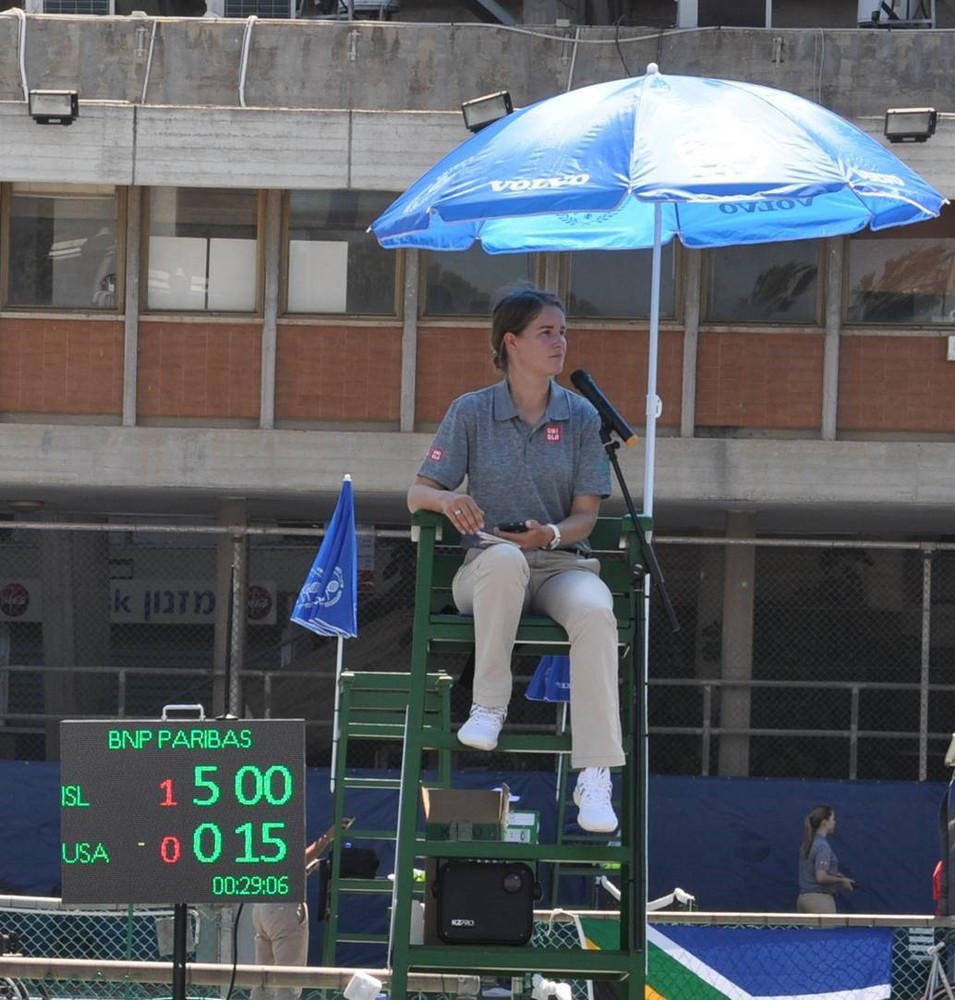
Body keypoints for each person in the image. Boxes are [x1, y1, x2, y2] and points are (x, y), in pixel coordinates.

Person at [407, 282, 624, 834]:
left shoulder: (581, 416)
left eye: (563, 332)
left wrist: (549, 534)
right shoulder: (471, 410)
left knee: (597, 611)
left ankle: (595, 774)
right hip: (487, 567)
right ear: (511, 342)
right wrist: (447, 500)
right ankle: (488, 707)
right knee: (504, 561)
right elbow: (418, 492)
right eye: (546, 332)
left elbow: (585, 518)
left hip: (558, 564)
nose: (559, 342)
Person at [250, 822, 339, 1000]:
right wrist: (328, 837)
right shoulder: (282, 821)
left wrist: (307, 868)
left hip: (261, 907)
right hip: (283, 908)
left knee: (263, 981)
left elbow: (279, 866)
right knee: (288, 981)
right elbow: (295, 862)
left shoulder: (255, 826)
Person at [796, 804, 855, 913]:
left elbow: (812, 870)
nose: (834, 822)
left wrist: (835, 875)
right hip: (819, 901)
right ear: (824, 822)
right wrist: (841, 881)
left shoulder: (807, 844)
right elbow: (821, 877)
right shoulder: (823, 846)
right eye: (832, 819)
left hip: (803, 899)